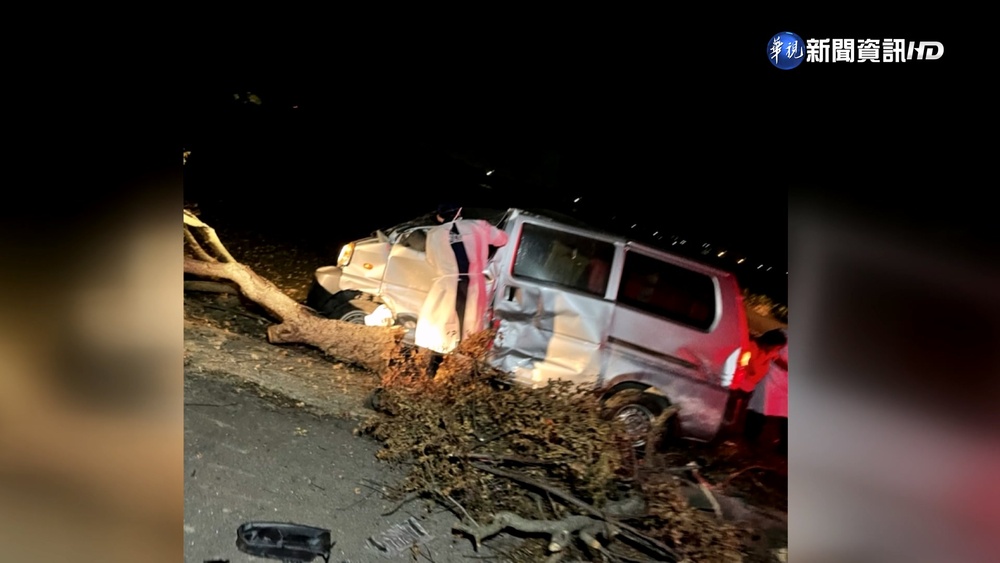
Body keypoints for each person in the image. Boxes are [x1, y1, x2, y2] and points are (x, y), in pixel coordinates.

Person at [413, 203, 509, 354]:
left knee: (440, 323)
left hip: (445, 283)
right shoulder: (478, 226)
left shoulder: (433, 234)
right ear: (460, 211)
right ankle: (461, 359)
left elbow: (431, 260)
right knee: (469, 326)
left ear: (439, 216)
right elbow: (502, 239)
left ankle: (435, 359)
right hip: (472, 283)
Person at [723, 328, 787, 441]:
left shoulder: (770, 351)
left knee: (741, 410)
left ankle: (732, 430)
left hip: (750, 387)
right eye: (776, 347)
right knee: (731, 408)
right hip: (740, 385)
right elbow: (747, 367)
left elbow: (777, 359)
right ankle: (725, 429)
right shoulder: (752, 348)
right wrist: (756, 367)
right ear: (768, 343)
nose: (776, 350)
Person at [745, 329, 788, 454]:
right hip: (770, 379)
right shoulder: (783, 335)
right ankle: (749, 440)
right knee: (760, 409)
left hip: (786, 384)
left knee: (786, 415)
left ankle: (784, 447)